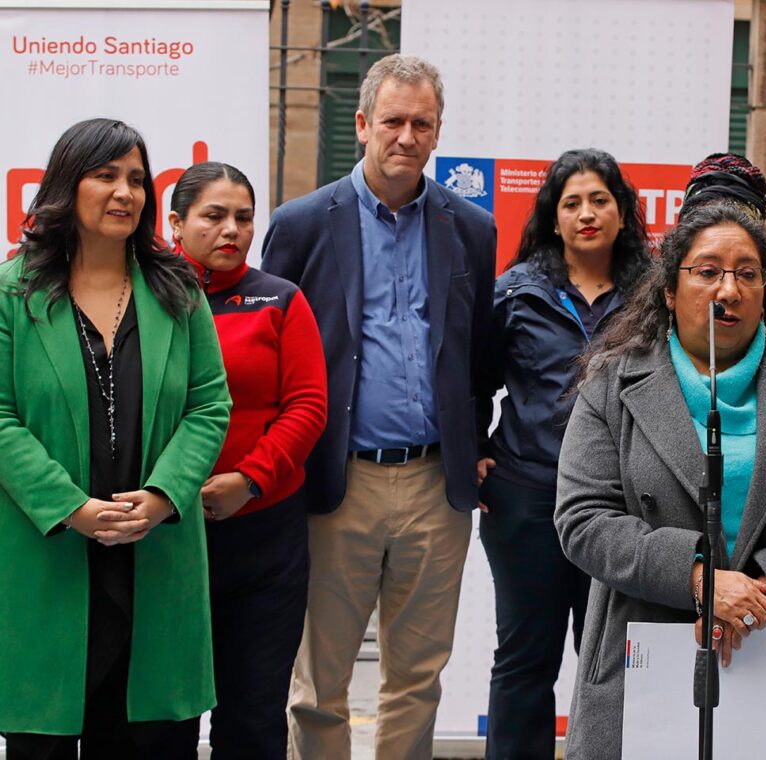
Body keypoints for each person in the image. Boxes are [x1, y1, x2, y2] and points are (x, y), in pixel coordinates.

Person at [554, 200, 766, 759]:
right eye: (707, 272)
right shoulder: (613, 382)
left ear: (764, 292)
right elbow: (583, 518)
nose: (727, 290)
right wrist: (701, 581)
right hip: (647, 648)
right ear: (668, 290)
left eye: (747, 274)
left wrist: (756, 592)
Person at [260, 53, 496, 760]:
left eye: (422, 123)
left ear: (437, 131)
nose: (407, 136)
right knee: (320, 681)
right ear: (362, 125)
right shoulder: (301, 223)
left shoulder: (471, 229)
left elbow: (478, 346)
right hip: (340, 482)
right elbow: (274, 348)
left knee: (417, 678)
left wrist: (476, 440)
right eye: (392, 120)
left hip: (435, 485)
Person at [0, 118, 231, 757]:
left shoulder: (177, 289)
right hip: (48, 552)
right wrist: (70, 509)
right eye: (105, 175)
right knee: (41, 741)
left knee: (148, 738)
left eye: (135, 178)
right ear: (66, 186)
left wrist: (162, 497)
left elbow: (210, 405)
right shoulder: (12, 292)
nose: (124, 191)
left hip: (153, 552)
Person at [479, 148, 651, 758]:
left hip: (623, 502)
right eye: (571, 202)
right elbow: (475, 377)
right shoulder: (518, 291)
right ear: (553, 217)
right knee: (525, 658)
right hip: (528, 495)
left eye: (599, 200)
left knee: (612, 659)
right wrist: (474, 447)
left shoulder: (653, 295)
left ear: (623, 211)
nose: (586, 214)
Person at [168, 162, 328, 757]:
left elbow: (309, 405)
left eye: (242, 217)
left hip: (266, 536)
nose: (230, 229)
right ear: (176, 222)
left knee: (255, 714)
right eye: (213, 216)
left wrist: (251, 480)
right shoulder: (146, 297)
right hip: (168, 536)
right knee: (166, 716)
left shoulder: (279, 299)